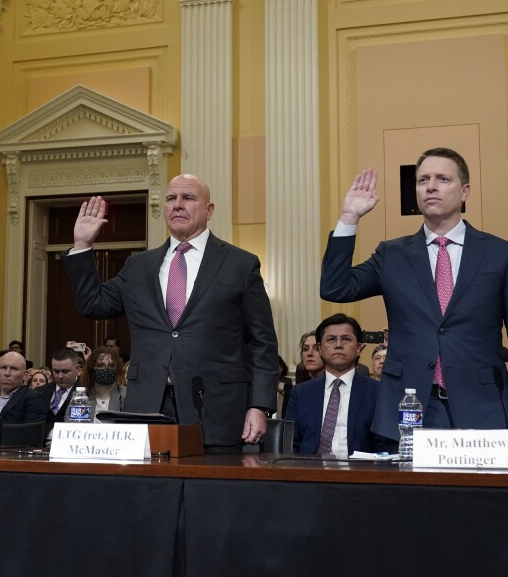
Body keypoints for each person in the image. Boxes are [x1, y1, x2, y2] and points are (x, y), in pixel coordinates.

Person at [62, 175, 279, 451]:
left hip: (216, 410)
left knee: (210, 491)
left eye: (187, 198)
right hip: (147, 407)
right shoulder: (139, 266)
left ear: (209, 210)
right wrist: (82, 246)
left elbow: (262, 342)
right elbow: (93, 303)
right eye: (170, 199)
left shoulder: (240, 264)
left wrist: (259, 405)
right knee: (149, 492)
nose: (177, 205)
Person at [321, 147, 508, 439]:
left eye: (443, 179)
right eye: (423, 180)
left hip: (481, 404)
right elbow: (336, 287)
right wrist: (349, 218)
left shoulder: (499, 253)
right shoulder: (392, 254)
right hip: (409, 405)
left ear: (465, 191)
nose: (430, 186)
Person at [286, 314, 384, 456]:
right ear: (320, 349)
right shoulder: (300, 393)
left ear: (358, 348)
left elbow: (384, 448)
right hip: (310, 472)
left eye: (346, 339)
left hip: (361, 472)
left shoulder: (377, 392)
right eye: (331, 339)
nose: (338, 345)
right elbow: (290, 445)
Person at [36, 347, 83, 424]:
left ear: (78, 369)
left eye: (65, 371)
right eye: (56, 371)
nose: (60, 376)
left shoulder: (88, 394)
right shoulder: (40, 392)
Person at [82, 346, 126, 422]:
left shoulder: (126, 396)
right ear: (92, 369)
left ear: (117, 369)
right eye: (100, 365)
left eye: (111, 365)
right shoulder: (81, 397)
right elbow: (70, 425)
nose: (106, 369)